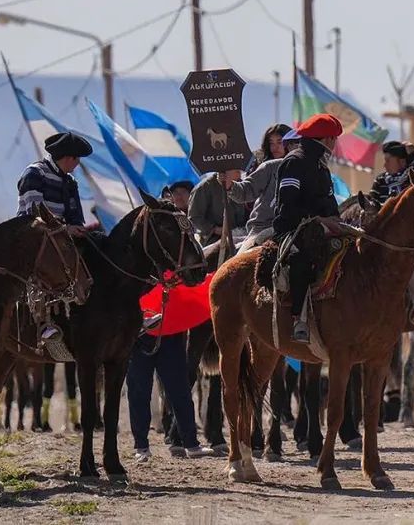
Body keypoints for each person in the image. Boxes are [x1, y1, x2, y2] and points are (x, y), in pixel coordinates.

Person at [18, 132, 162, 349]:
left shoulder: (70, 182)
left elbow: (76, 216)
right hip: (38, 237)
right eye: (76, 159)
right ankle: (45, 322)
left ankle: (130, 312)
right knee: (52, 264)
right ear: (67, 157)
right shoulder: (34, 174)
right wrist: (65, 229)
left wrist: (77, 230)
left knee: (105, 250)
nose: (77, 164)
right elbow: (32, 214)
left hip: (65, 238)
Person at [272, 113, 346, 343]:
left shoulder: (320, 166)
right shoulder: (295, 161)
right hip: (293, 228)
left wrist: (340, 222)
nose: (335, 144)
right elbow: (288, 203)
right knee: (302, 259)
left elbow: (329, 202)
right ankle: (299, 318)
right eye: (334, 139)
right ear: (326, 140)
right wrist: (320, 221)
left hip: (323, 227)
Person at [368, 140, 414, 325]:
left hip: (409, 234)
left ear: (402, 162)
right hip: (383, 234)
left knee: (412, 255)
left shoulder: (413, 179)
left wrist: (413, 155)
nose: (384, 164)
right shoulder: (381, 180)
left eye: (389, 159)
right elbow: (373, 202)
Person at [126, 330, 213, 462]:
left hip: (170, 336)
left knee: (181, 391)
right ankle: (141, 446)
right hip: (139, 336)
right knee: (139, 393)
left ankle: (191, 443)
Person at [220, 131, 301, 254]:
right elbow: (245, 191)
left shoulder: (316, 172)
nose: (298, 149)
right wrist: (230, 185)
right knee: (240, 264)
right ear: (288, 147)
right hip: (263, 228)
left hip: (299, 230)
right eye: (293, 145)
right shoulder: (270, 167)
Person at [187, 170, 248, 246]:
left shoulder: (241, 186)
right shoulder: (205, 187)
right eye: (237, 171)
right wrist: (215, 229)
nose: (240, 174)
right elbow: (194, 218)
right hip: (214, 240)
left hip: (241, 236)